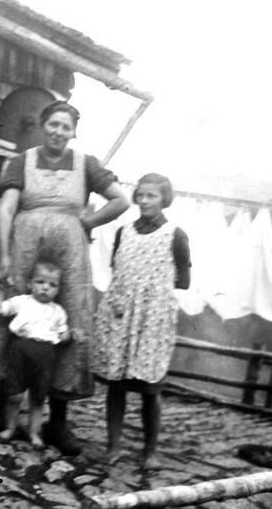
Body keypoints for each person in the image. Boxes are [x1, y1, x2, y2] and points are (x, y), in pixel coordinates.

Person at [0, 100, 130, 455]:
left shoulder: (86, 163)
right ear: (43, 126)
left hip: (68, 253)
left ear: (73, 132)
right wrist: (5, 254)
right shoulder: (21, 161)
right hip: (23, 244)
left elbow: (120, 201)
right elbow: (6, 207)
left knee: (69, 322)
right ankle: (3, 408)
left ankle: (57, 421)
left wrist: (85, 223)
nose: (58, 132)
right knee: (9, 313)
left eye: (65, 127)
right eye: (53, 124)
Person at [91, 172, 191, 469]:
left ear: (164, 199)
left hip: (152, 319)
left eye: (152, 196)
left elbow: (183, 281)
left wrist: (150, 294)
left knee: (150, 388)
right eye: (141, 195)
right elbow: (118, 271)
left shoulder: (175, 235)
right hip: (121, 315)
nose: (145, 201)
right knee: (116, 385)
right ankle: (113, 446)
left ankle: (150, 451)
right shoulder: (124, 232)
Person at [0, 257, 70, 447]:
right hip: (21, 349)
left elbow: (63, 335)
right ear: (30, 284)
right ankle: (10, 428)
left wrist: (71, 334)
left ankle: (34, 432)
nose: (45, 287)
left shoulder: (58, 311)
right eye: (40, 282)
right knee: (14, 394)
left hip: (45, 354)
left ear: (58, 290)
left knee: (38, 397)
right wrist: (0, 289)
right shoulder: (23, 302)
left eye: (52, 285)